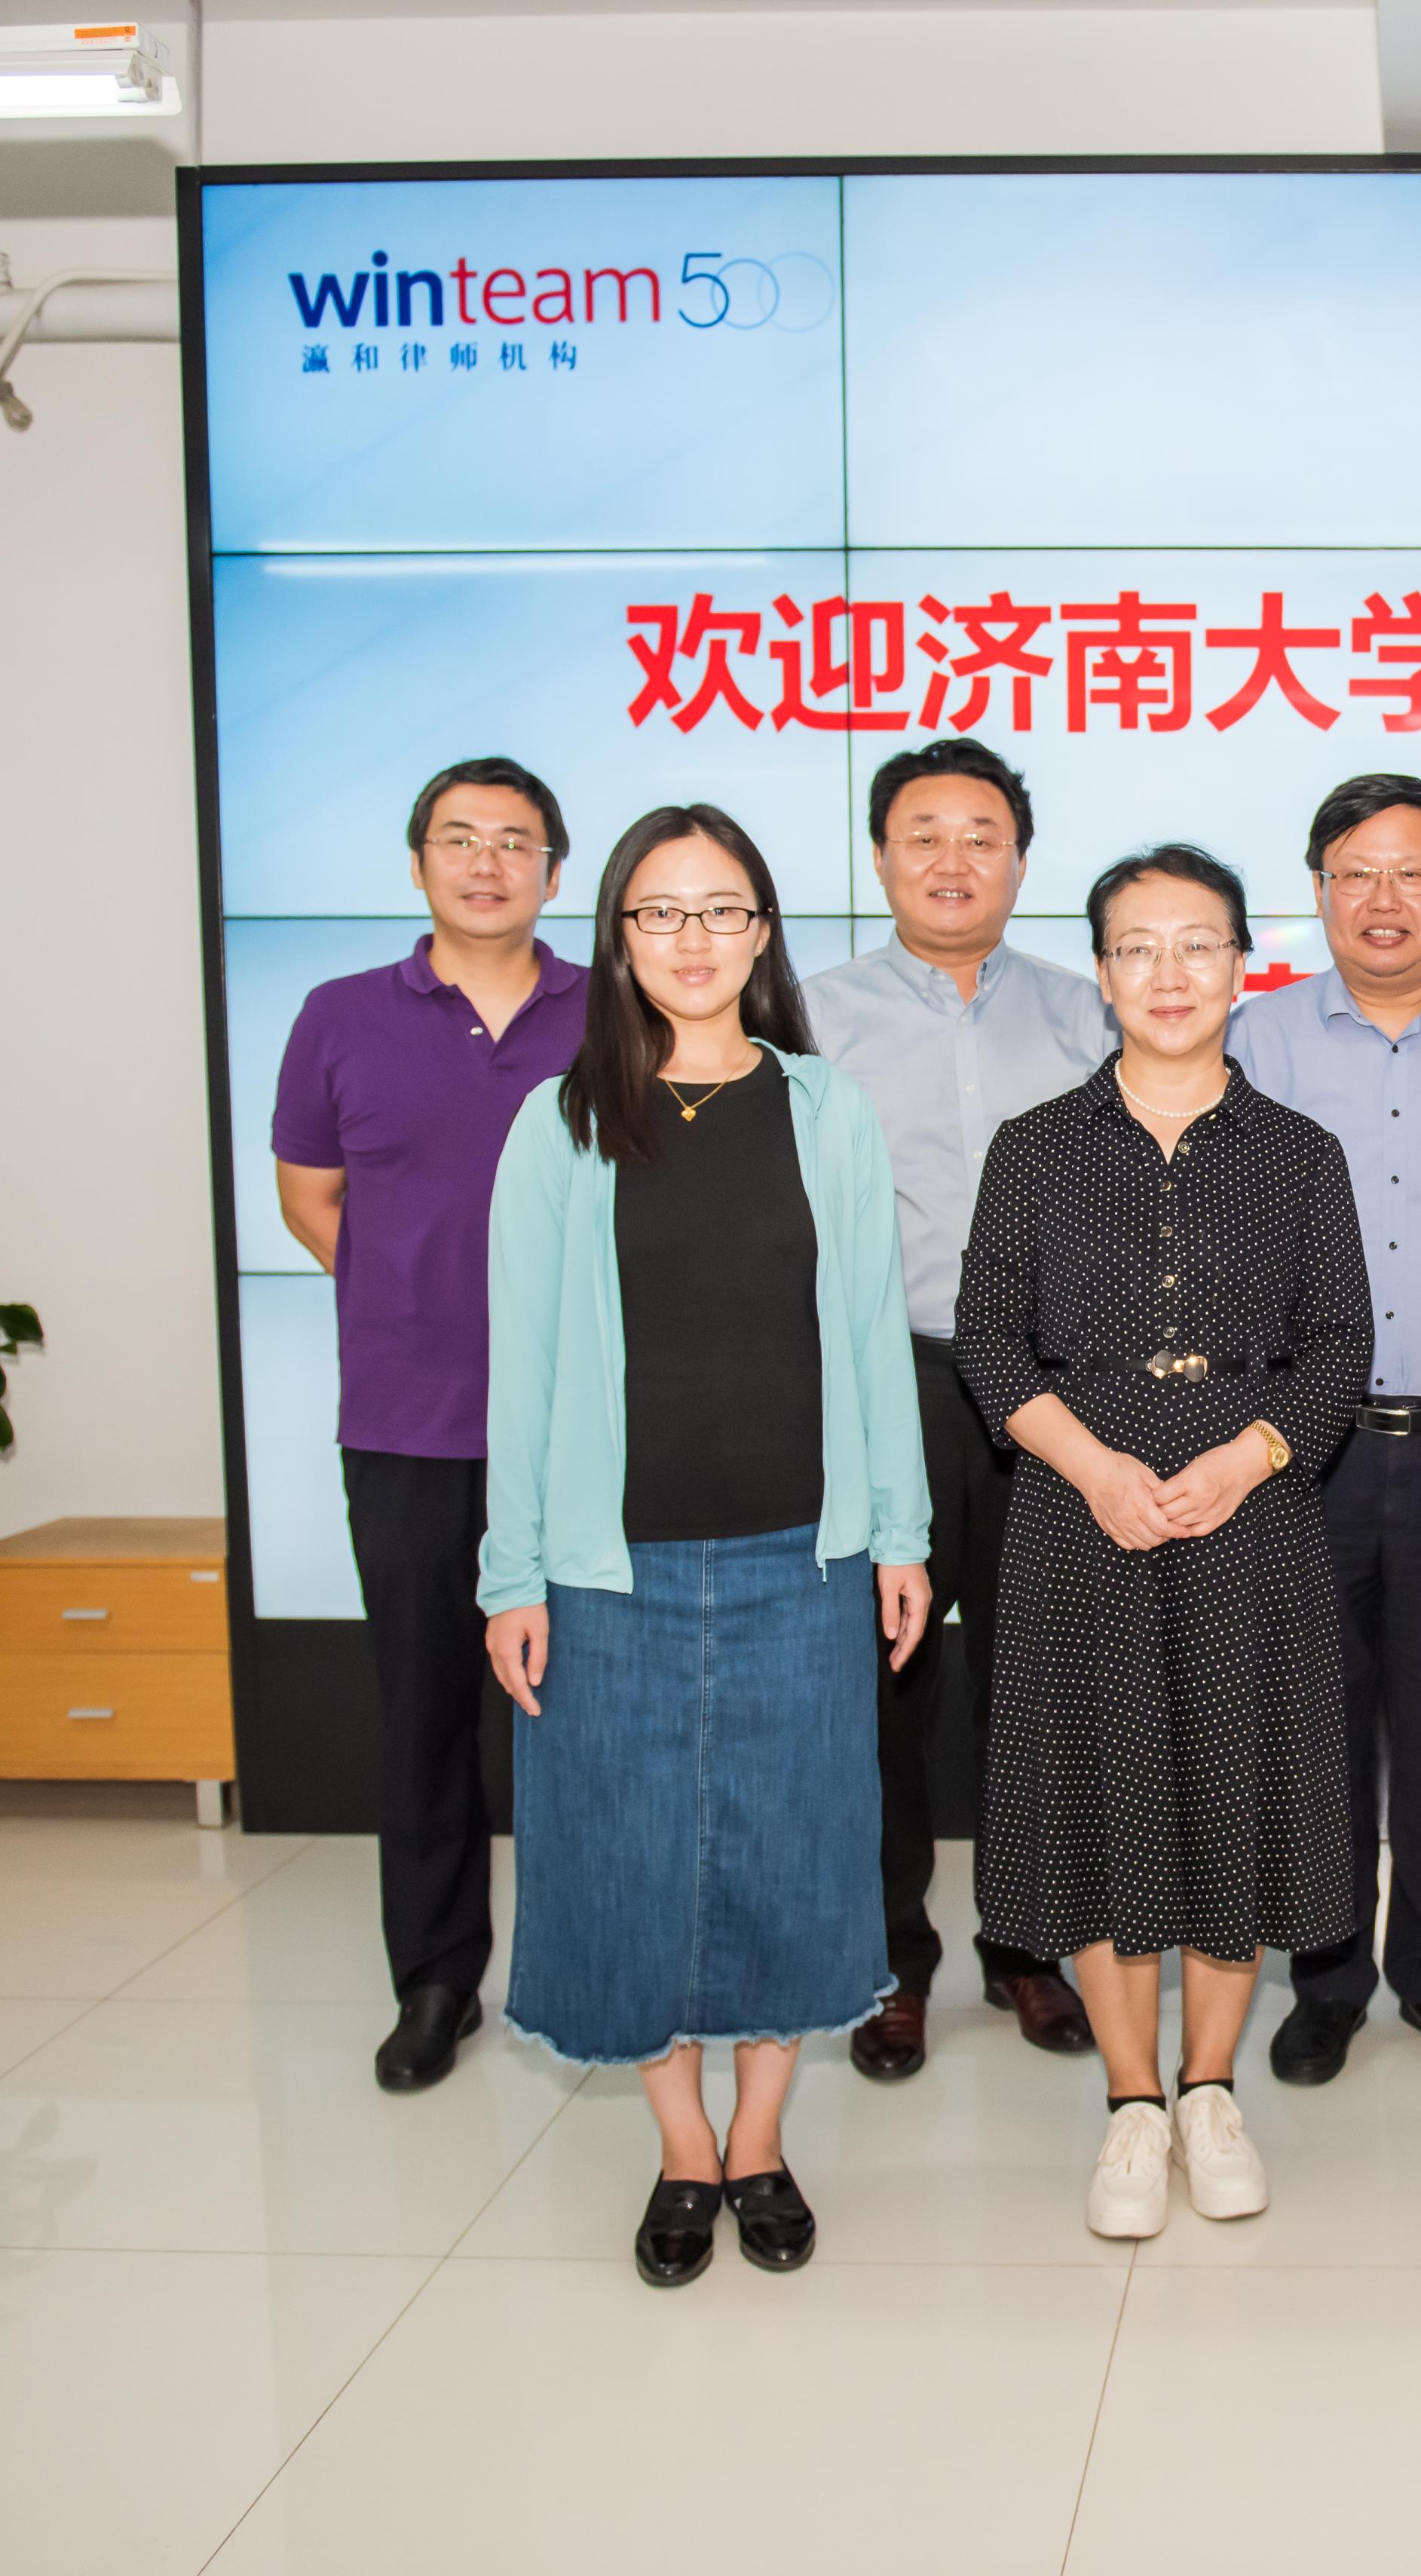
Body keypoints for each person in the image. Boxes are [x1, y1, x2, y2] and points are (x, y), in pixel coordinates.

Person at [475, 804, 935, 2290]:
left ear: (761, 932)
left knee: (792, 1853)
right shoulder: (559, 1124)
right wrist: (512, 1573)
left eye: (721, 909)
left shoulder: (825, 1109)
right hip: (610, 1572)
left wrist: (901, 1534)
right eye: (660, 911)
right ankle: (682, 2145)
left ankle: (762, 2138)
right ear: (618, 934)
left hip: (804, 1557)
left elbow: (872, 1337)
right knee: (627, 1859)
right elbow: (523, 1370)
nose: (692, 938)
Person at [954, 846, 1371, 2240]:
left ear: (1243, 965)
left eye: (1199, 944)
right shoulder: (1035, 1146)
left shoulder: (1300, 1153)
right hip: (1082, 1519)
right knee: (1102, 1792)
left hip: (1251, 1517)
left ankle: (1210, 2086)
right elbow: (988, 1340)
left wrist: (1247, 1458)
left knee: (1235, 1792)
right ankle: (1132, 2101)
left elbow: (1340, 1345)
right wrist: (1091, 1466)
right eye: (1139, 947)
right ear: (1103, 972)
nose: (1171, 973)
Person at [270, 755, 593, 2096]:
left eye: (515, 841)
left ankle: (587, 1965)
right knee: (424, 1709)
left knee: (583, 1712)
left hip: (588, 1425)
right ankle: (437, 1976)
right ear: (417, 865)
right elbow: (312, 1199)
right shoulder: (341, 1013)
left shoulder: (613, 1009)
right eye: (459, 839)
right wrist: (419, 1299)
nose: (486, 862)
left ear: (554, 872)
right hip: (409, 1420)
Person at [803, 738, 1113, 2078]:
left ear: (1020, 862)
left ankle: (1025, 1946)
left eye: (981, 835)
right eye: (922, 833)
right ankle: (891, 1961)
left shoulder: (1087, 1014)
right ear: (880, 857)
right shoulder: (809, 1019)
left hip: (1055, 1389)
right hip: (894, 1380)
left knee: (1035, 1678)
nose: (951, 859)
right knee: (889, 1679)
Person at [1229, 775, 1421, 2088]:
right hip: (1304, 1446)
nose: (1385, 898)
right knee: (1315, 1727)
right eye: (1357, 872)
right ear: (1319, 890)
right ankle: (1328, 1979)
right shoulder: (1255, 1041)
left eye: (1413, 872)